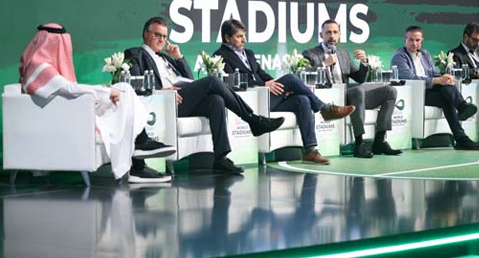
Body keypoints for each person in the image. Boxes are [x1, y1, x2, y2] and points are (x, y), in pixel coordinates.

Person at [124, 16, 285, 175]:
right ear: (146, 34)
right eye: (157, 35)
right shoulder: (135, 53)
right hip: (165, 102)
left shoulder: (166, 58)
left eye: (164, 36)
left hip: (183, 98)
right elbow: (137, 84)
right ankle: (253, 120)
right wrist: (162, 91)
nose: (161, 40)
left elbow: (189, 79)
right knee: (213, 81)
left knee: (216, 100)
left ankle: (220, 158)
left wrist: (179, 58)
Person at [19, 23, 175, 183]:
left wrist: (104, 90)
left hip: (70, 112)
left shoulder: (42, 67)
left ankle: (140, 151)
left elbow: (68, 90)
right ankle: (139, 153)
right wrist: (106, 92)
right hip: (65, 120)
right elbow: (69, 88)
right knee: (121, 94)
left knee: (125, 89)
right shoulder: (40, 67)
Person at [213, 18, 356, 165]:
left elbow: (262, 74)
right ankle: (325, 109)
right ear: (227, 38)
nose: (244, 40)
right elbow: (232, 82)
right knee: (291, 79)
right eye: (239, 36)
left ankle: (310, 150)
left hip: (266, 98)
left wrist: (276, 85)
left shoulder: (248, 53)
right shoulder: (220, 56)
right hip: (248, 102)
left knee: (302, 100)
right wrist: (264, 84)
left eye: (244, 35)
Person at [303, 19, 401, 159]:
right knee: (358, 91)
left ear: (339, 35)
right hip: (329, 98)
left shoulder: (343, 54)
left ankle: (379, 141)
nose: (332, 36)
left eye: (335, 32)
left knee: (390, 91)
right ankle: (359, 144)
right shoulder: (310, 53)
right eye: (328, 32)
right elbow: (304, 75)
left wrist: (364, 63)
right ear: (321, 35)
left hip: (350, 96)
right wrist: (324, 64)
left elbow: (359, 78)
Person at [390, 25, 479, 150]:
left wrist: (445, 78)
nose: (414, 43)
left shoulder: (425, 54)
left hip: (429, 92)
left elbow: (434, 73)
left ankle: (461, 137)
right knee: (444, 91)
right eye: (411, 40)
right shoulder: (399, 56)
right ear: (405, 40)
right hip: (414, 95)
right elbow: (410, 78)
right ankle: (462, 109)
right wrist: (437, 80)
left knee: (446, 93)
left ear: (422, 41)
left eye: (417, 40)